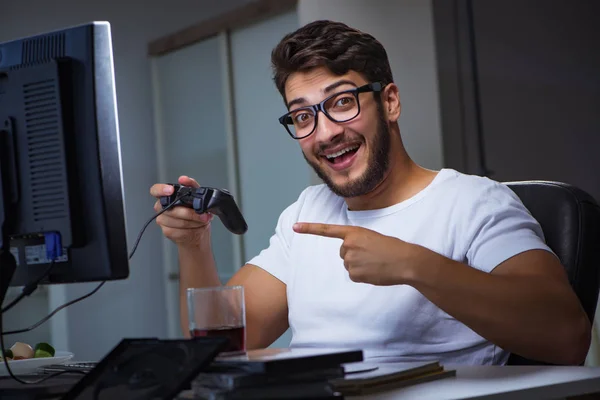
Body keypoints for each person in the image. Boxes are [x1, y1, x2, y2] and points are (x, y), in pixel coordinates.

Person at [150, 20, 590, 365]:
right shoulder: (307, 213)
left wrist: (414, 265)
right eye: (302, 117)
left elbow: (566, 336)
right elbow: (221, 346)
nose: (324, 133)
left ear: (390, 102)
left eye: (342, 102)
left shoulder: (474, 202)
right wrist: (193, 245)